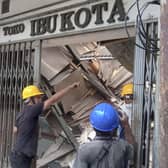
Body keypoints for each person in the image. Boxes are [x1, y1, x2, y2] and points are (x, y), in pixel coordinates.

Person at [10, 82, 80, 168]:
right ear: (31, 98)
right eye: (38, 97)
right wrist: (70, 87)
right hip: (22, 157)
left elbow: (15, 130)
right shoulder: (33, 109)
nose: (40, 100)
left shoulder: (22, 113)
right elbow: (52, 100)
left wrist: (30, 133)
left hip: (18, 155)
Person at [72, 102, 135, 168]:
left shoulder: (84, 150)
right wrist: (126, 125)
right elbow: (133, 150)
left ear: (93, 127)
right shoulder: (122, 146)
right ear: (116, 127)